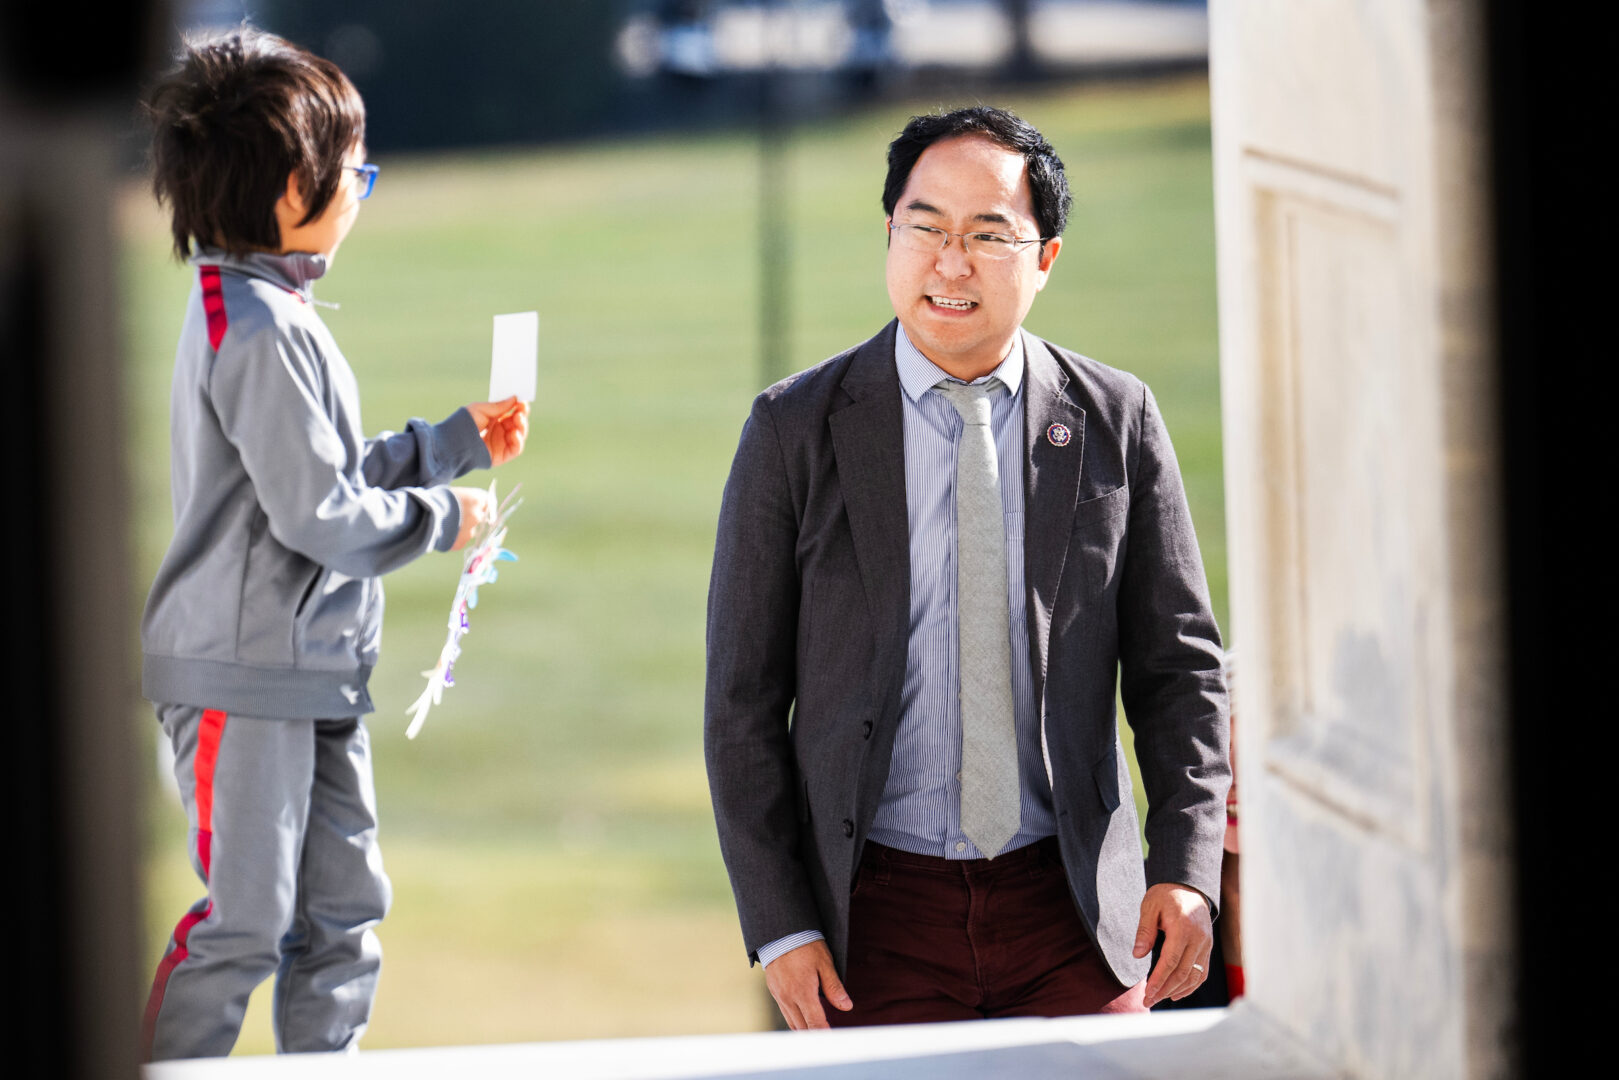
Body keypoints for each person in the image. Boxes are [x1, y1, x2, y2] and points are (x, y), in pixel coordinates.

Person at [705, 106, 1229, 1029]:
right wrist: (781, 928)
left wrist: (1184, 868)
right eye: (925, 228)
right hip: (870, 921)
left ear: (1045, 259)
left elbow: (1180, 669)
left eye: (988, 235)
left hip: (1072, 910)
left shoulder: (1118, 418)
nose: (950, 264)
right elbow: (740, 704)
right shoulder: (793, 429)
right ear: (889, 234)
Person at [137, 28, 529, 1060]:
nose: (362, 186)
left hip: (308, 670)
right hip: (243, 673)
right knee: (243, 923)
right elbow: (319, 519)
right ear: (285, 190)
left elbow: (321, 469)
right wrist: (442, 518)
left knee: (344, 911)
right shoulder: (254, 328)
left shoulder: (269, 306)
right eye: (352, 169)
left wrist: (448, 446)